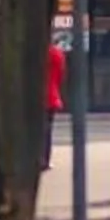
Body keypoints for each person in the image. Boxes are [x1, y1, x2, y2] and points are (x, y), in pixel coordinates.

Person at [42, 35, 65, 170]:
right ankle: (45, 159)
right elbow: (60, 75)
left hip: (35, 97)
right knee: (47, 130)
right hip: (51, 96)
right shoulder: (57, 54)